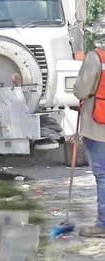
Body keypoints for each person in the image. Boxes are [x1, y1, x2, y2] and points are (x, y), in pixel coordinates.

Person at [74, 14, 105, 237]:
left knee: (103, 174)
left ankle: (102, 225)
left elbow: (81, 90)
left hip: (98, 125)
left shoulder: (96, 59)